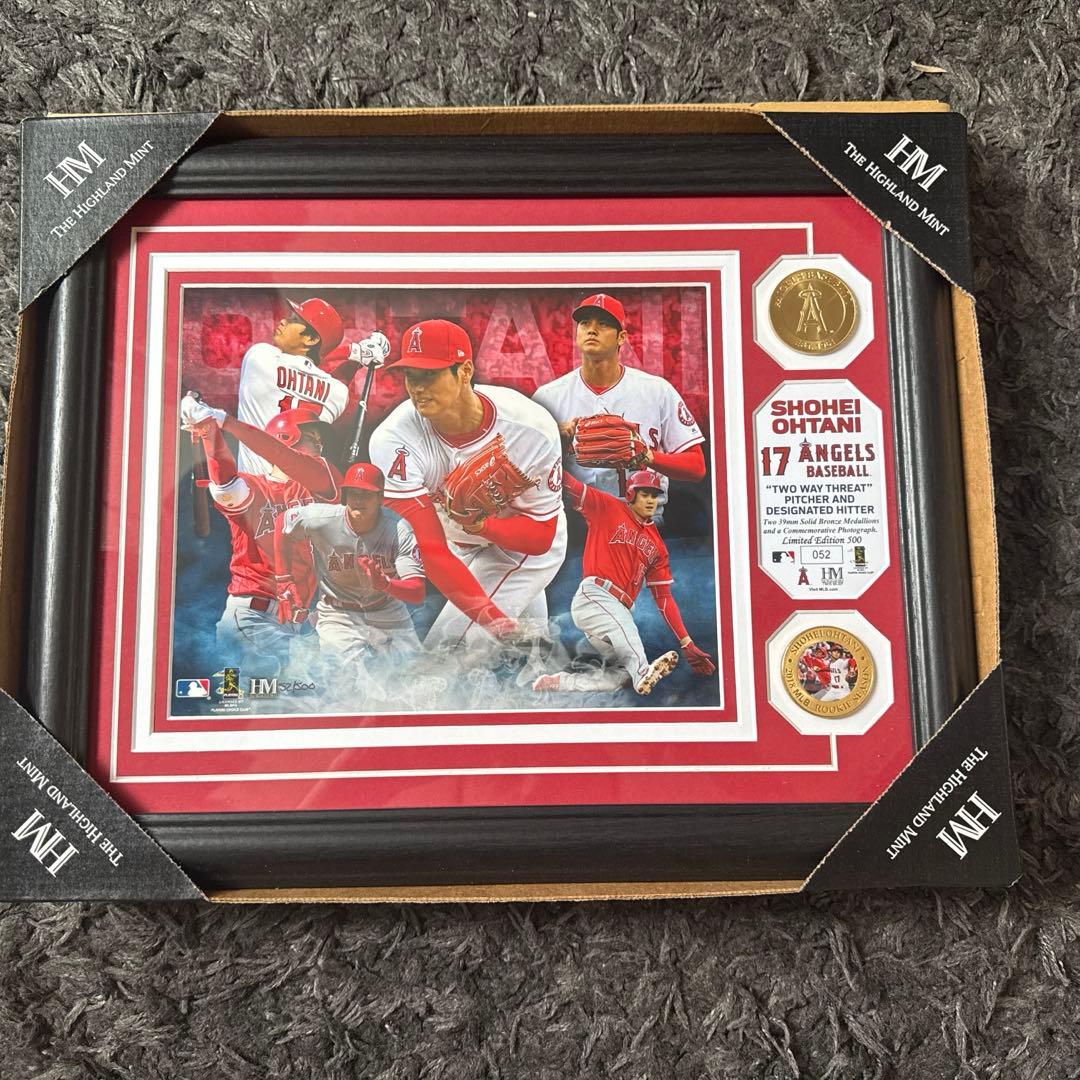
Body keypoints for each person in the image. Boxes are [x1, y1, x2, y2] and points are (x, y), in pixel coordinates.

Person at [367, 318, 566, 650]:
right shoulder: (393, 438)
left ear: (465, 371)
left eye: (430, 374)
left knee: (444, 657)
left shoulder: (530, 428)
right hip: (456, 544)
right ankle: (544, 674)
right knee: (532, 656)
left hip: (522, 545)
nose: (418, 388)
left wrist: (482, 526)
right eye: (411, 375)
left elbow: (541, 536)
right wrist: (497, 622)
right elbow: (432, 549)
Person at [180, 393, 342, 674]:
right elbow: (227, 487)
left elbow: (288, 459)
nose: (321, 446)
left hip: (298, 622)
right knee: (265, 695)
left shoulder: (323, 482)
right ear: (287, 438)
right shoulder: (253, 486)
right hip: (252, 618)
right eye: (313, 439)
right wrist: (209, 432)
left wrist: (225, 421)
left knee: (321, 686)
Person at [531, 469, 716, 695]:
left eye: (655, 495)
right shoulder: (608, 507)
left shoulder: (657, 547)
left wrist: (687, 642)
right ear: (630, 494)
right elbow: (574, 487)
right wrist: (549, 466)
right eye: (645, 494)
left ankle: (559, 682)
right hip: (596, 595)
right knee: (627, 633)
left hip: (618, 610)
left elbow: (664, 598)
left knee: (621, 676)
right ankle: (642, 671)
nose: (651, 500)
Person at [532, 292, 707, 517]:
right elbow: (524, 468)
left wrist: (648, 456)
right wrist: (553, 443)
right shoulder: (547, 397)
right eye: (585, 323)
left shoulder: (656, 390)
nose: (592, 330)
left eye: (603, 324)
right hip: (575, 524)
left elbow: (696, 467)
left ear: (621, 337)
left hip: (644, 522)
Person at [276, 462, 425, 682]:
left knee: (415, 677)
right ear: (345, 496)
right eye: (353, 493)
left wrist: (386, 585)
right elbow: (283, 522)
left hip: (387, 609)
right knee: (347, 684)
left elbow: (417, 591)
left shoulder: (398, 529)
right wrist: (283, 579)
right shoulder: (321, 518)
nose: (358, 500)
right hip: (338, 614)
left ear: (380, 498)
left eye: (366, 494)